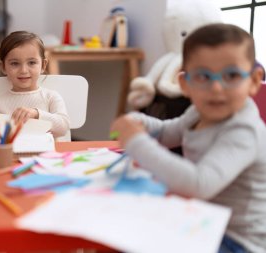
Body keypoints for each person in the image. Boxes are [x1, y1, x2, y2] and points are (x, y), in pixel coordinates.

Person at [111, 23, 265, 253]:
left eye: (231, 75)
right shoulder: (199, 112)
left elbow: (197, 185)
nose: (216, 87)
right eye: (203, 76)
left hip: (238, 240)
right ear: (185, 84)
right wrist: (139, 123)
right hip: (204, 219)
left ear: (253, 81)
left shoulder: (243, 131)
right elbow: (167, 132)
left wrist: (136, 142)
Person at [0, 31, 70, 138]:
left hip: (46, 156)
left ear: (43, 65)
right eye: (15, 63)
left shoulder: (51, 97)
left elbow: (63, 128)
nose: (24, 70)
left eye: (31, 62)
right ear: (3, 67)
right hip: (10, 156)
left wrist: (37, 114)